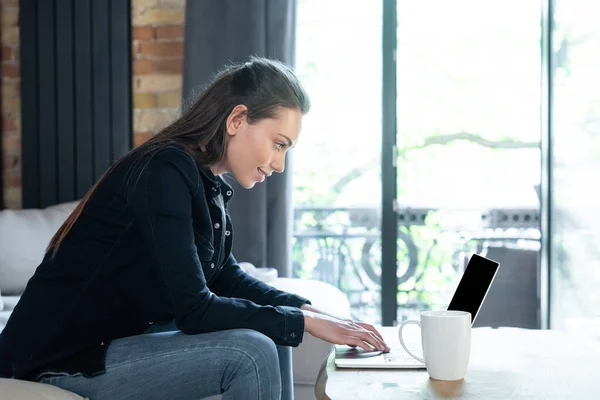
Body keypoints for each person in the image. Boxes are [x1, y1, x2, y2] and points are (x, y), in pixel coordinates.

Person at [0, 56, 389, 400]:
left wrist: (309, 311)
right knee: (251, 352)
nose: (279, 164)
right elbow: (195, 310)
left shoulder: (202, 182)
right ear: (237, 119)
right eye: (279, 144)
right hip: (61, 359)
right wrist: (304, 321)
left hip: (113, 342)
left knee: (274, 330)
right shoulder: (164, 170)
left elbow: (227, 277)